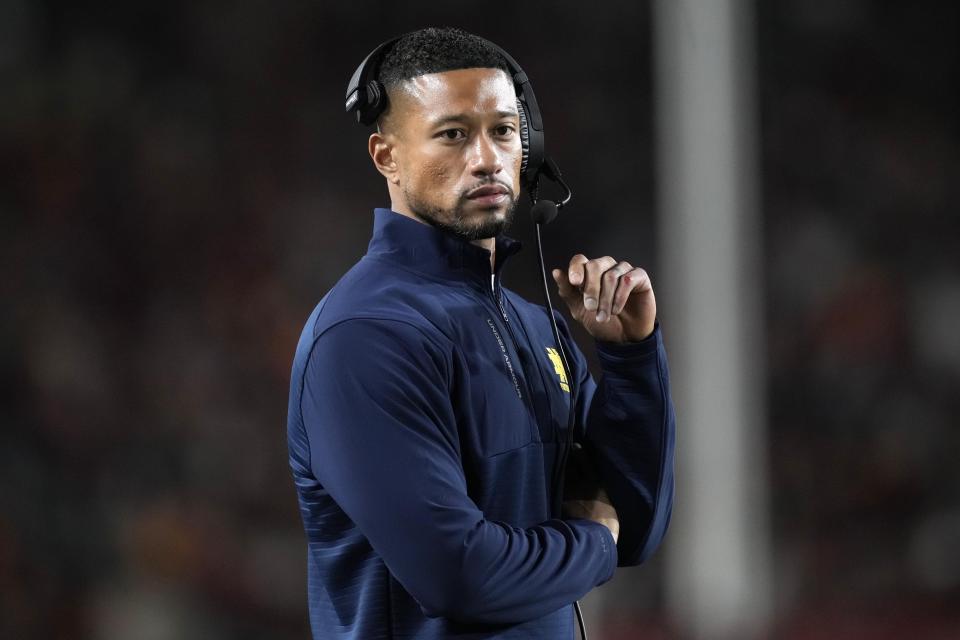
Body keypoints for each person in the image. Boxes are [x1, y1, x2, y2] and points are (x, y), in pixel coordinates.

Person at [286, 27, 676, 640]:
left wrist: (629, 358)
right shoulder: (363, 337)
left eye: (503, 131)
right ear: (386, 155)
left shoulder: (533, 322)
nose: (488, 158)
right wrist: (594, 543)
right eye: (453, 134)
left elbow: (636, 526)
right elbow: (460, 578)